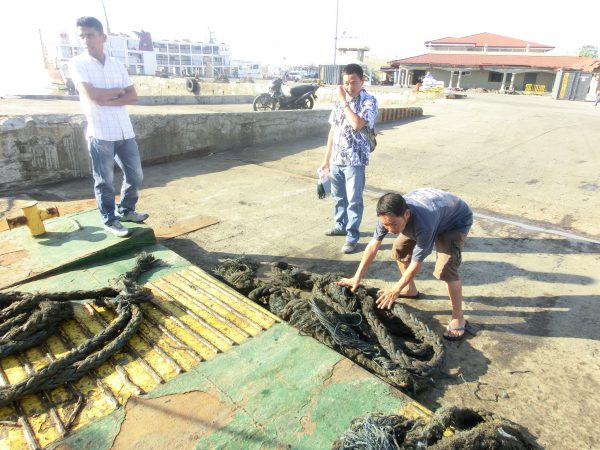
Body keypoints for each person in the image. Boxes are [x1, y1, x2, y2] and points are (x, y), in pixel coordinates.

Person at [338, 189, 473, 341]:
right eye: (386, 225)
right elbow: (373, 246)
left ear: (406, 214)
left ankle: (458, 317)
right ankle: (410, 289)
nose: (389, 230)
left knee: (446, 269)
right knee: (399, 249)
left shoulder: (424, 224)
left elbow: (416, 263)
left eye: (393, 224)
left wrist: (396, 289)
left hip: (455, 221)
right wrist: (357, 277)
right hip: (435, 213)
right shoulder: (387, 215)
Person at [68, 16, 148, 237]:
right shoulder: (77, 64)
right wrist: (117, 92)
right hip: (101, 133)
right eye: (82, 36)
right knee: (104, 181)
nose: (86, 40)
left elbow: (133, 96)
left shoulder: (116, 64)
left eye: (90, 35)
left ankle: (126, 210)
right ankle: (110, 220)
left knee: (135, 176)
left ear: (102, 37)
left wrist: (110, 96)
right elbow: (92, 96)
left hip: (124, 131)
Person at [319, 63, 378, 254]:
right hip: (337, 159)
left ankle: (352, 236)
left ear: (362, 80)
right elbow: (333, 130)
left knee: (354, 200)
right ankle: (340, 225)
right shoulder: (339, 101)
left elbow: (357, 124)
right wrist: (326, 160)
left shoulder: (369, 101)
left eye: (353, 82)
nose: (349, 87)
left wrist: (344, 101)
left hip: (355, 160)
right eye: (345, 83)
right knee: (339, 197)